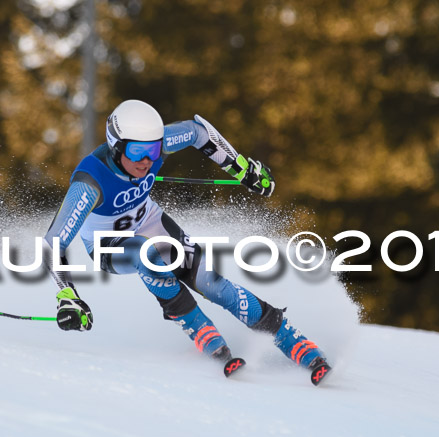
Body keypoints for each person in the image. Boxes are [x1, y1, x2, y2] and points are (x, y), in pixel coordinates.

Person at [43, 99, 329, 374]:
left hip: (150, 222)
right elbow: (52, 244)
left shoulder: (159, 144)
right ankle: (197, 325)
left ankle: (290, 339)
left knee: (211, 283)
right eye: (136, 152)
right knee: (148, 254)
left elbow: (198, 132)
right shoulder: (89, 182)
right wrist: (67, 296)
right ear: (116, 147)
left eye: (153, 151)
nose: (146, 161)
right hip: (108, 246)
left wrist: (242, 169)